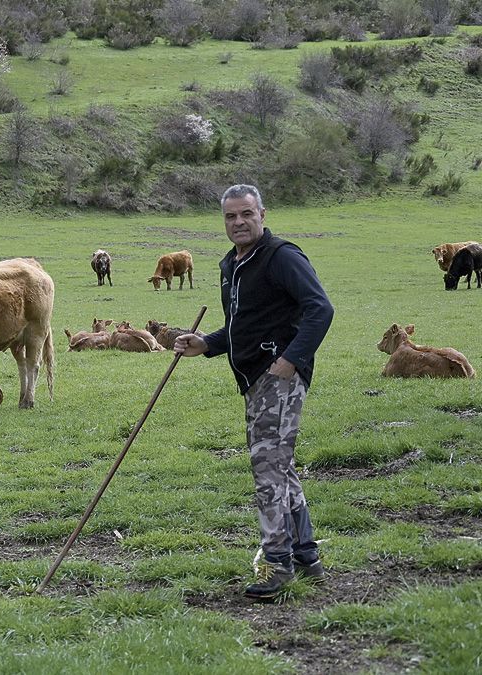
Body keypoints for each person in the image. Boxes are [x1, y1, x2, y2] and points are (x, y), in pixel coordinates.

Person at [174, 184, 335, 600]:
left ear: (263, 213)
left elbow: (321, 308)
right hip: (254, 380)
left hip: (278, 380)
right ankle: (306, 557)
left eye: (246, 214)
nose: (239, 222)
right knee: (280, 468)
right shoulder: (232, 264)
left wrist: (292, 359)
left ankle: (277, 566)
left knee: (267, 471)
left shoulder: (282, 257)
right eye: (231, 216)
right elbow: (244, 325)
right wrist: (206, 343)